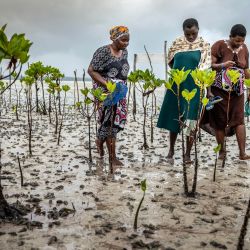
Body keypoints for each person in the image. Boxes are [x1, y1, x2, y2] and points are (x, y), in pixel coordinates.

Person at [157, 18, 211, 163]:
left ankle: (187, 154)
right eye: (188, 34)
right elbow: (172, 63)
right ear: (183, 32)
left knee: (191, 119)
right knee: (174, 117)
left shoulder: (204, 45)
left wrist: (208, 90)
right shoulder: (177, 43)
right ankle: (171, 150)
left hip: (195, 87)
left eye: (193, 33)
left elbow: (206, 69)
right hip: (177, 85)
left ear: (198, 30)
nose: (191, 37)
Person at [202, 24, 250, 160]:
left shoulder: (245, 49)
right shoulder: (219, 45)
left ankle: (242, 153)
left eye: (242, 41)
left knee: (239, 120)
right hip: (219, 91)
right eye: (237, 40)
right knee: (220, 121)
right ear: (230, 37)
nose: (239, 43)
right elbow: (209, 66)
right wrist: (222, 65)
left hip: (238, 92)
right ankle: (222, 152)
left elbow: (246, 70)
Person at [88, 25, 130, 166]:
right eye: (123, 40)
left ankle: (100, 142)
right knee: (108, 121)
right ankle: (112, 156)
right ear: (114, 38)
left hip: (120, 91)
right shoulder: (103, 52)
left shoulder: (124, 53)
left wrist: (120, 87)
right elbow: (91, 71)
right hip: (105, 90)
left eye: (128, 40)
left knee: (115, 123)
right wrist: (107, 85)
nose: (126, 43)